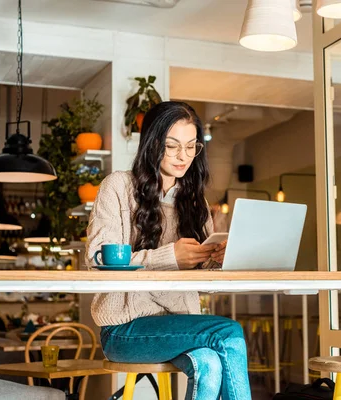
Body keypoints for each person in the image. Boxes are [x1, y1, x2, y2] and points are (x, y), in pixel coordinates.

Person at [86, 101, 251, 400]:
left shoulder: (194, 201)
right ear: (152, 143)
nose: (183, 156)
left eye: (191, 146)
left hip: (180, 325)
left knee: (210, 363)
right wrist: (169, 257)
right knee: (228, 332)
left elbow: (206, 287)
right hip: (124, 330)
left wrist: (217, 260)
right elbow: (98, 260)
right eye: (172, 145)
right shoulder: (118, 186)